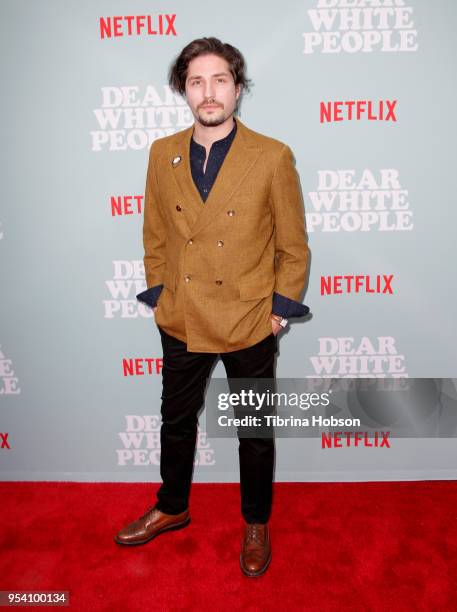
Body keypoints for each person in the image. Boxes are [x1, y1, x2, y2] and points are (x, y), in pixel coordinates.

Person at [114, 36, 310, 578]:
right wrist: (160, 293)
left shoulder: (271, 155)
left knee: (253, 428)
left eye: (219, 79)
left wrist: (276, 313)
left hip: (248, 318)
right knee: (175, 420)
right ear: (184, 89)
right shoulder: (162, 152)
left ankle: (256, 522)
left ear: (237, 88)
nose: (209, 91)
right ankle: (172, 506)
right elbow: (154, 231)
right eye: (196, 80)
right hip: (183, 314)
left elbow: (292, 246)